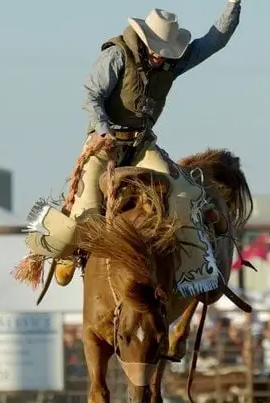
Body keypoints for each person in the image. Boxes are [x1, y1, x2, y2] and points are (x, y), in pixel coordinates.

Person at [25, 2, 243, 287]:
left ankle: (190, 268)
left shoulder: (172, 62)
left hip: (142, 146)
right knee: (87, 207)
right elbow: (91, 95)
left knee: (185, 193)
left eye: (164, 50)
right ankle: (68, 253)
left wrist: (233, 5)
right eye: (155, 47)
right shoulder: (116, 55)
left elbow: (215, 40)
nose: (158, 55)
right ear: (143, 38)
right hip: (105, 145)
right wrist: (102, 131)